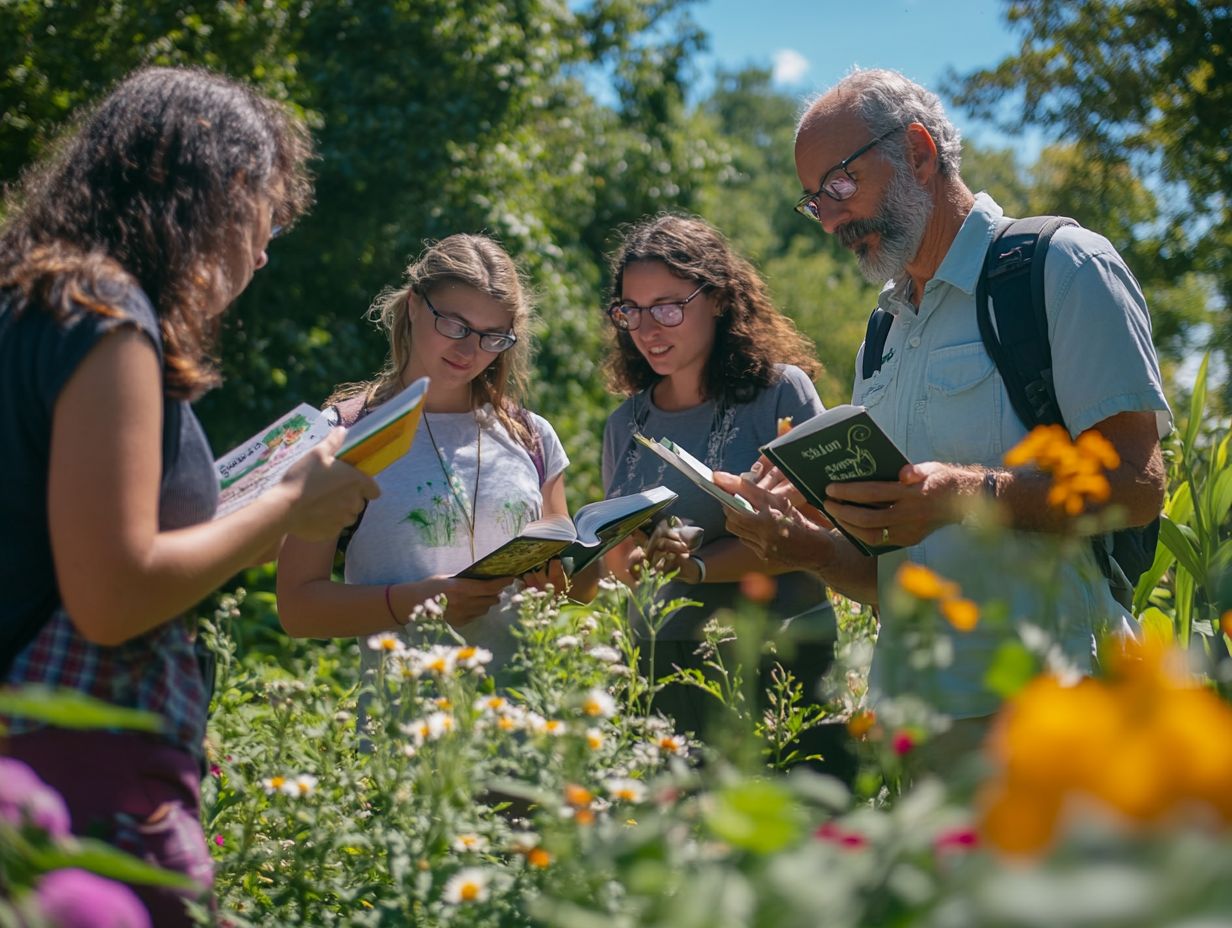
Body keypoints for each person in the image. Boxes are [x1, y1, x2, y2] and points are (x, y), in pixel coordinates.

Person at [0, 68, 378, 924]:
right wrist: (289, 507)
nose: (267, 249)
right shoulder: (108, 323)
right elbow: (112, 595)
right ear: (223, 193)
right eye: (269, 216)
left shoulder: (29, 300)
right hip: (74, 775)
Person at [717, 68, 1171, 752]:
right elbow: (893, 579)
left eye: (839, 184)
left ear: (920, 152)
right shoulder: (884, 330)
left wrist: (967, 493)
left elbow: (1139, 488)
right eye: (814, 202)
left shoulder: (1062, 268)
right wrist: (804, 547)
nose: (832, 218)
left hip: (1052, 714)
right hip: (915, 724)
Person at [601, 213, 848, 772]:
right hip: (659, 670)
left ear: (715, 299)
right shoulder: (624, 423)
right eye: (631, 310)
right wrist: (636, 559)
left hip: (779, 660)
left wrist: (698, 569)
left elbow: (817, 527)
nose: (647, 328)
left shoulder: (781, 393)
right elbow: (623, 560)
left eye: (668, 306)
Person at [277, 234, 571, 678]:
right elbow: (298, 609)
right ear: (414, 305)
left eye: (492, 337)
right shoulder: (343, 435)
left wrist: (562, 579)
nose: (470, 351)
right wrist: (414, 603)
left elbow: (575, 584)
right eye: (455, 325)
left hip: (525, 727)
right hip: (401, 731)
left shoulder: (531, 436)